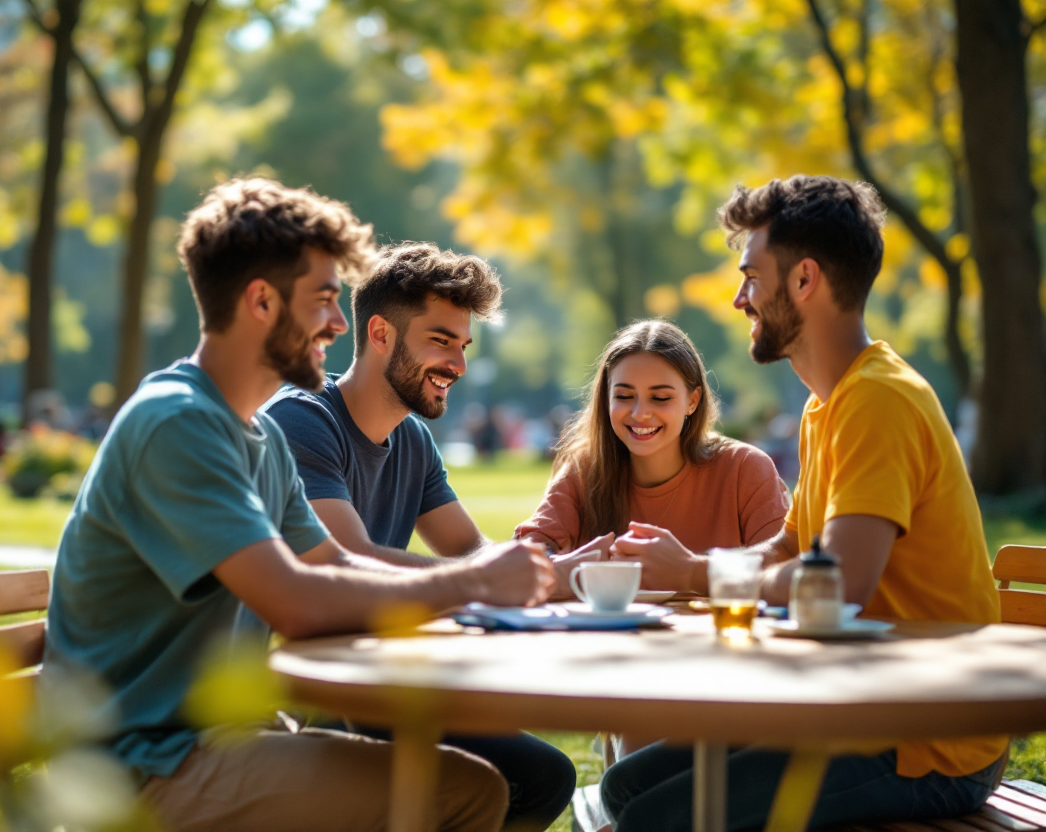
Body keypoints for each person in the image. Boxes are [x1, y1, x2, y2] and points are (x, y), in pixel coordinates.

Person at [43, 178, 555, 832]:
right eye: (323, 301)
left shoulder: (251, 430)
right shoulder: (178, 422)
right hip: (139, 766)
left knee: (476, 781)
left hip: (219, 736)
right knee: (464, 791)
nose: (339, 324)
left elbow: (332, 559)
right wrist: (473, 581)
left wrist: (492, 578)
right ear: (261, 300)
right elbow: (297, 601)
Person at [600, 175, 1005, 832]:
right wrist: (681, 564)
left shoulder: (879, 400)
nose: (739, 299)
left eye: (751, 277)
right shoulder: (830, 404)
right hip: (857, 709)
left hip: (925, 738)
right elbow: (790, 549)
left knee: (657, 817)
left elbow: (838, 581)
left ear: (804, 280)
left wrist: (695, 575)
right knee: (626, 787)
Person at [267, 242, 577, 830]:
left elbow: (468, 548)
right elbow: (346, 558)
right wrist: (483, 579)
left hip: (382, 685)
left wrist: (550, 568)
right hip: (315, 696)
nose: (458, 364)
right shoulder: (303, 419)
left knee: (546, 776)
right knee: (509, 782)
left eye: (463, 345)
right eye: (441, 340)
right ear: (380, 333)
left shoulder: (412, 439)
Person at [515, 318, 788, 756]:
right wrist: (574, 565)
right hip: (632, 674)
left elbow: (783, 573)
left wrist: (687, 570)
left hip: (735, 677)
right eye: (623, 397)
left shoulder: (744, 469)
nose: (640, 413)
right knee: (642, 759)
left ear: (693, 400)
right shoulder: (585, 470)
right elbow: (526, 558)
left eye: (660, 398)